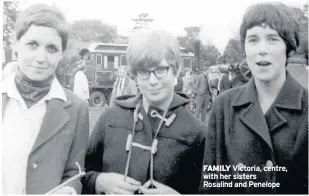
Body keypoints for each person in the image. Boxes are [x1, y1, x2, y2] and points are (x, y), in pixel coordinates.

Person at [200, 2, 308, 194]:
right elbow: (209, 188)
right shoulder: (223, 107)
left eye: (272, 39)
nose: (262, 49)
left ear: (289, 48)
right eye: (253, 40)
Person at [83, 29, 206, 194]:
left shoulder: (198, 133)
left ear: (176, 70)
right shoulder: (109, 119)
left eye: (161, 69)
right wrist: (98, 182)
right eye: (143, 72)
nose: (152, 81)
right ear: (135, 75)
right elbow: (80, 175)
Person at [1, 4, 89, 194]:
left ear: (61, 53)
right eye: (32, 44)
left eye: (51, 48)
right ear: (15, 44)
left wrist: (70, 191)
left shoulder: (76, 109)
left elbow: (75, 172)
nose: (41, 58)